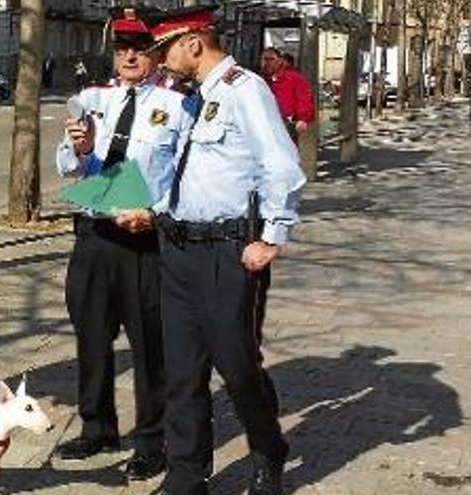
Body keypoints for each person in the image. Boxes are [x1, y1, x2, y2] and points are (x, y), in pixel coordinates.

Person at [131, 7, 306, 495]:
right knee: (182, 371)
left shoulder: (243, 88)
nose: (160, 62)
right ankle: (186, 474)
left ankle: (269, 449)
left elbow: (281, 164)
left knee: (237, 364)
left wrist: (271, 235)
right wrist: (153, 210)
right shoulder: (187, 101)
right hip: (179, 248)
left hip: (228, 252)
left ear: (193, 43)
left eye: (164, 50)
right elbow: (186, 172)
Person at [54, 5, 195, 481]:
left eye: (138, 48)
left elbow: (185, 174)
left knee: (149, 345)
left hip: (144, 239)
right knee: (91, 335)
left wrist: (159, 216)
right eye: (122, 48)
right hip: (94, 232)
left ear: (154, 53)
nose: (129, 56)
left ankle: (152, 439)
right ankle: (97, 426)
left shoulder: (178, 104)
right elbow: (65, 167)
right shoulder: (91, 98)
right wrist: (77, 151)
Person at [260, 47, 315, 144]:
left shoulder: (294, 78)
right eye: (264, 59)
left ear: (280, 61)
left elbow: (304, 98)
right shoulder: (259, 80)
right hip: (264, 122)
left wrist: (303, 119)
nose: (267, 63)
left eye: (271, 59)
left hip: (286, 122)